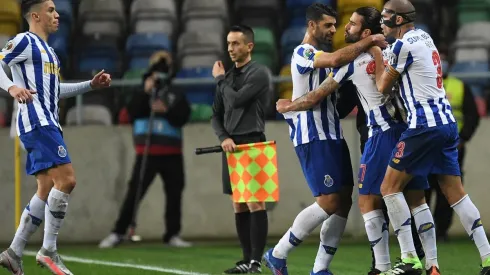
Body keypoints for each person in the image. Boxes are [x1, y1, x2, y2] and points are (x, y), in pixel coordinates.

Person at [275, 7, 438, 275]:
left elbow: (317, 95)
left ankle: (396, 263)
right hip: (407, 131)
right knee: (415, 198)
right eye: (335, 25)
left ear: (365, 32)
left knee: (366, 202)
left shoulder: (351, 61)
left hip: (377, 134)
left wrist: (287, 106)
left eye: (349, 25)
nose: (342, 30)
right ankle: (432, 264)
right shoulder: (394, 52)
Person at [263, 4, 387, 275]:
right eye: (328, 25)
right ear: (311, 26)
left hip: (332, 133)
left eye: (335, 24)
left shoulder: (326, 54)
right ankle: (278, 253)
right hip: (312, 136)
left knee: (343, 201)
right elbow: (334, 62)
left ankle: (320, 269)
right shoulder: (303, 52)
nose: (334, 30)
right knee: (329, 201)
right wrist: (371, 39)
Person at [372, 1, 490, 274]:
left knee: (389, 188)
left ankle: (410, 259)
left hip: (423, 126)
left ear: (399, 20)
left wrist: (377, 52)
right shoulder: (425, 36)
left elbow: (381, 86)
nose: (382, 20)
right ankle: (487, 257)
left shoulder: (402, 45)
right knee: (456, 194)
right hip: (447, 124)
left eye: (386, 16)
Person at [0, 0, 111, 274]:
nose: (57, 14)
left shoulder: (50, 52)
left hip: (48, 124)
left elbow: (54, 90)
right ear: (35, 15)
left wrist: (90, 85)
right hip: (38, 123)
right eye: (50, 10)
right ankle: (48, 249)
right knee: (68, 180)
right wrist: (12, 87)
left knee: (47, 188)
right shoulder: (24, 41)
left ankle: (14, 252)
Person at [98, 51, 192, 249]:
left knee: (175, 194)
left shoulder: (175, 92)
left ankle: (172, 234)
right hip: (147, 152)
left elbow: (183, 116)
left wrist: (166, 110)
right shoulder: (141, 90)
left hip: (172, 152)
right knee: (134, 193)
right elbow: (130, 113)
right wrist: (146, 92)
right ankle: (118, 232)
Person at [211, 24, 272, 274]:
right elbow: (216, 114)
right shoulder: (227, 78)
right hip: (232, 144)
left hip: (253, 140)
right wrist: (224, 136)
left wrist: (219, 79)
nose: (231, 48)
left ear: (250, 46)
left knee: (255, 203)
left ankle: (256, 261)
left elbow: (236, 100)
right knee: (238, 204)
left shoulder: (259, 73)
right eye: (228, 44)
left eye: (236, 43)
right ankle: (246, 259)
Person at [425, 47, 480, 242]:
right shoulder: (423, 84)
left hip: (452, 148)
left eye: (444, 60)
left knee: (448, 192)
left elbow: (472, 116)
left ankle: (441, 232)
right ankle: (423, 232)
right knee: (423, 189)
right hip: (427, 148)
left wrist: (463, 139)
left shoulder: (460, 87)